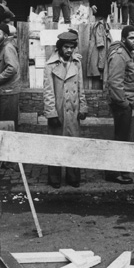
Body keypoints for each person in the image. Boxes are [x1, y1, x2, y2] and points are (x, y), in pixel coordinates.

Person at [43, 31, 88, 188]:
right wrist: (51, 113)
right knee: (55, 144)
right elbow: (48, 91)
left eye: (72, 47)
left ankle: (73, 176)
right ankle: (54, 177)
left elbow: (81, 86)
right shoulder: (50, 65)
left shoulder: (76, 63)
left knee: (73, 143)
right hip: (59, 110)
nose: (69, 51)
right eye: (66, 47)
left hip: (73, 110)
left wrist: (83, 106)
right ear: (60, 47)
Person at [104, 25, 134, 184]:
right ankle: (113, 173)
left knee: (124, 136)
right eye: (132, 38)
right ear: (124, 39)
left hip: (127, 102)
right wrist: (125, 104)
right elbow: (115, 82)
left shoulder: (127, 53)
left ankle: (122, 169)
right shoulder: (120, 55)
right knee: (120, 137)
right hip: (121, 103)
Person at [0, 22, 21, 127]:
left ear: (5, 36)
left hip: (8, 91)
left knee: (8, 124)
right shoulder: (3, 46)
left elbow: (12, 68)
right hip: (6, 91)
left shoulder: (8, 47)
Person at [87, 0, 112, 78]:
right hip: (98, 6)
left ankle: (104, 31)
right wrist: (92, 5)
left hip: (106, 6)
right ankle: (99, 32)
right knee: (98, 23)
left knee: (105, 22)